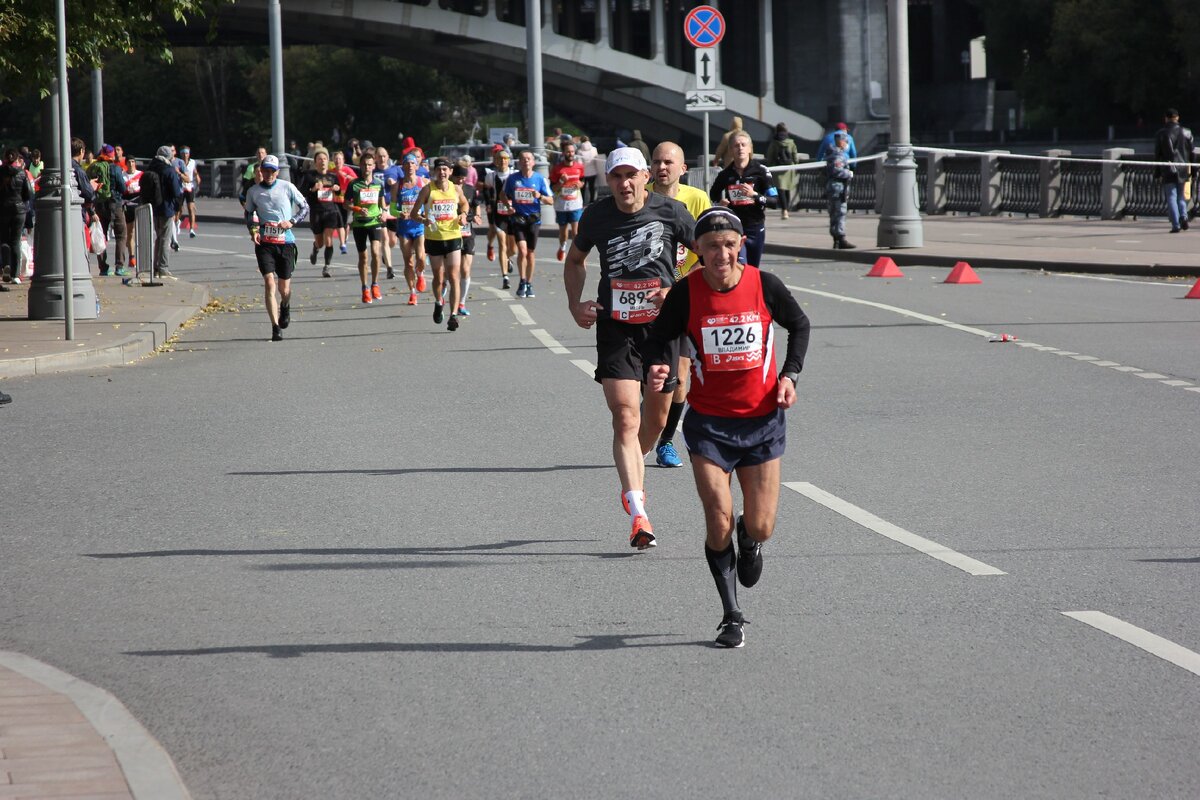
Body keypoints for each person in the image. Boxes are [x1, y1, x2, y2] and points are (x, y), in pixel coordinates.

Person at [643, 207, 810, 648]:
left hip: (762, 422)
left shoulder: (764, 285)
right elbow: (659, 337)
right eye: (712, 246)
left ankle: (750, 540)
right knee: (716, 519)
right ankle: (731, 614)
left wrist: (789, 375)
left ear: (741, 246)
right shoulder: (686, 293)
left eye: (729, 245)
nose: (721, 253)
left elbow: (799, 324)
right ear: (697, 250)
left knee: (762, 525)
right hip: (710, 426)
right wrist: (658, 367)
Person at [563, 147, 696, 549]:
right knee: (625, 416)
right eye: (616, 177)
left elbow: (707, 254)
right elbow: (575, 260)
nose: (624, 184)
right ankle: (638, 511)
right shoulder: (597, 215)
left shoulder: (671, 212)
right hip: (615, 327)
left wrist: (675, 290)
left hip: (662, 329)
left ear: (644, 177)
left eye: (631, 175)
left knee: (655, 420)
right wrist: (575, 304)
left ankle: (633, 468)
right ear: (609, 181)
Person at [649, 141, 711, 469]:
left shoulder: (696, 199)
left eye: (669, 162)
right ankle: (647, 419)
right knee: (650, 377)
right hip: (643, 298)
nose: (662, 167)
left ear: (682, 169)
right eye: (657, 162)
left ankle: (666, 441)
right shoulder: (639, 195)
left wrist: (686, 286)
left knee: (681, 375)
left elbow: (708, 249)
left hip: (682, 296)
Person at [243, 155, 309, 341]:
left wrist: (292, 221)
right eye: (266, 170)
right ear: (261, 171)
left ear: (277, 172)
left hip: (286, 242)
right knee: (269, 283)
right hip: (265, 242)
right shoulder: (253, 191)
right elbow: (249, 213)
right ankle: (275, 327)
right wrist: (254, 229)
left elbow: (304, 207)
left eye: (272, 171)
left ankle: (285, 306)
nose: (269, 174)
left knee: (284, 289)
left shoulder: (287, 187)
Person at [410, 157, 469, 331]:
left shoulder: (456, 189)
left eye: (445, 170)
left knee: (454, 276)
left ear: (450, 172)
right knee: (438, 277)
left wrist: (463, 215)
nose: (442, 173)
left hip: (453, 236)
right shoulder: (427, 190)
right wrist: (423, 219)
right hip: (434, 238)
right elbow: (414, 213)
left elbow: (465, 204)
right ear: (434, 172)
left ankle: (453, 316)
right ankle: (438, 302)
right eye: (439, 170)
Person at [709, 130, 778, 267]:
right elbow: (713, 195)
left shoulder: (761, 171)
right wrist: (720, 204)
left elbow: (774, 202)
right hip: (735, 228)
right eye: (736, 145)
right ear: (730, 150)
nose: (740, 148)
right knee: (740, 266)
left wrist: (755, 195)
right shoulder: (725, 174)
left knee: (753, 270)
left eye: (743, 145)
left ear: (750, 149)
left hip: (755, 227)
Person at [500, 149, 552, 297]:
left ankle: (529, 283)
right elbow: (503, 194)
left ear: (533, 162)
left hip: (534, 220)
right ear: (519, 162)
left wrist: (540, 196)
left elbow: (551, 200)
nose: (526, 161)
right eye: (523, 159)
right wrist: (508, 206)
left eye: (529, 158)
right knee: (522, 250)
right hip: (518, 218)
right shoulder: (512, 179)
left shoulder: (540, 179)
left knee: (530, 253)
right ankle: (522, 281)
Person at [344, 151, 387, 304]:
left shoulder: (378, 184)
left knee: (376, 252)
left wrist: (384, 213)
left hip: (374, 222)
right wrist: (357, 209)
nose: (367, 167)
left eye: (370, 165)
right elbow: (346, 203)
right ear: (360, 166)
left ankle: (375, 284)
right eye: (364, 165)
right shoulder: (354, 184)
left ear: (373, 166)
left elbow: (383, 204)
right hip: (359, 223)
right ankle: (364, 287)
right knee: (363, 257)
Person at [297, 148, 344, 277]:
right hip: (316, 212)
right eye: (320, 159)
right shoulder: (309, 176)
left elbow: (339, 192)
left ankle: (327, 267)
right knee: (320, 242)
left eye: (325, 159)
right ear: (315, 162)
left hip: (330, 211)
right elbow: (301, 193)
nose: (322, 161)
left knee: (328, 240)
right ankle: (315, 248)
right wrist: (313, 189)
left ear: (328, 162)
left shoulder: (332, 177)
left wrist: (337, 189)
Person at [85, 144, 128, 276]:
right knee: (121, 234)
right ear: (111, 155)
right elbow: (122, 187)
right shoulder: (115, 168)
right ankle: (119, 267)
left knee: (100, 235)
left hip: (99, 204)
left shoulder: (94, 168)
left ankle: (103, 267)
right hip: (114, 204)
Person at [139, 145, 182, 278]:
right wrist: (177, 207)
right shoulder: (169, 170)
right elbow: (176, 191)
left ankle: (155, 266)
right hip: (166, 208)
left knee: (158, 237)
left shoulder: (150, 167)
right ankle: (163, 268)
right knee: (165, 238)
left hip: (151, 208)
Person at [393, 153, 429, 305]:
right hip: (404, 227)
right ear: (403, 167)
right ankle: (412, 292)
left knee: (421, 258)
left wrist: (424, 214)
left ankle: (420, 273)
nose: (409, 167)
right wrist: (399, 213)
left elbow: (430, 204)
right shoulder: (398, 185)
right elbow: (391, 209)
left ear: (417, 166)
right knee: (408, 261)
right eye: (406, 164)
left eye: (412, 164)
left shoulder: (424, 182)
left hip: (419, 225)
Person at [1155, 108, 1194, 233]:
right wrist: (1193, 169)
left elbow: (1158, 154)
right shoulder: (1187, 132)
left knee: (1171, 196)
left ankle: (1176, 224)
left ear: (1166, 118)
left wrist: (1157, 172)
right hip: (1183, 169)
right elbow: (1192, 153)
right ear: (1177, 118)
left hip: (1168, 168)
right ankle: (1184, 216)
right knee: (1181, 196)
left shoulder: (1161, 133)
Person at [450, 163, 480, 316]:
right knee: (450, 271)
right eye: (458, 177)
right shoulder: (446, 189)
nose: (461, 181)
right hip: (449, 233)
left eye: (463, 178)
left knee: (465, 269)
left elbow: (476, 204)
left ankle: (461, 303)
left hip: (467, 232)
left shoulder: (470, 189)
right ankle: (444, 295)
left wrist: (477, 216)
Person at [483, 146, 515, 288]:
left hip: (513, 213)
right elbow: (486, 190)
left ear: (509, 161)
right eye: (500, 159)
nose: (503, 161)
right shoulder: (491, 176)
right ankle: (505, 277)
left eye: (505, 159)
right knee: (502, 242)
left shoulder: (514, 175)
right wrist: (489, 203)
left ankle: (508, 259)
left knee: (513, 248)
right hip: (498, 213)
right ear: (495, 161)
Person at [0, 149, 32, 289]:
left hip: (2, 210)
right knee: (16, 241)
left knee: (3, 240)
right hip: (19, 210)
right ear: (16, 160)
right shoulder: (21, 173)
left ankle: (5, 264)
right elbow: (28, 193)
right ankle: (15, 274)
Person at [549, 140, 585, 261]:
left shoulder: (579, 167)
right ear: (563, 153)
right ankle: (562, 246)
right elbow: (552, 189)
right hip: (561, 205)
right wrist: (561, 182)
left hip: (575, 204)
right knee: (563, 233)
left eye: (572, 151)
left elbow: (582, 181)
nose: (570, 153)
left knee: (576, 232)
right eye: (568, 151)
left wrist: (580, 184)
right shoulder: (557, 169)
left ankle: (576, 253)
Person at [825, 131, 856, 249]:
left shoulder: (831, 153)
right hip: (838, 188)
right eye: (846, 141)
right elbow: (836, 170)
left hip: (832, 188)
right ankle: (841, 238)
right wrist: (848, 173)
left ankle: (836, 239)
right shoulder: (838, 155)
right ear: (841, 141)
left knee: (833, 214)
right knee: (840, 213)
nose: (847, 144)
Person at [765, 123, 800, 220]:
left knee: (780, 190)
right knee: (787, 189)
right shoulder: (791, 143)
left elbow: (769, 156)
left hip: (778, 169)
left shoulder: (774, 143)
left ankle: (784, 210)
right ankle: (787, 209)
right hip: (789, 169)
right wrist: (795, 166)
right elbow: (795, 156)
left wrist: (770, 166)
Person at [331, 149, 356, 253]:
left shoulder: (347, 169)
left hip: (346, 200)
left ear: (343, 160)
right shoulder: (331, 171)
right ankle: (343, 243)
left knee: (345, 222)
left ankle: (344, 239)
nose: (337, 161)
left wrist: (345, 176)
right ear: (333, 160)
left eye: (339, 159)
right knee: (339, 221)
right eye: (336, 159)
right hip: (334, 200)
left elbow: (355, 180)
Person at [176, 146, 200, 238]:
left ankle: (192, 229)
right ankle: (178, 222)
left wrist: (197, 176)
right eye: (183, 153)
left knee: (191, 208)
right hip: (180, 187)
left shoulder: (192, 162)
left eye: (186, 153)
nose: (185, 155)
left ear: (189, 154)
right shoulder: (178, 162)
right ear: (180, 154)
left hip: (190, 187)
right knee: (180, 209)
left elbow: (194, 171)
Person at [577, 135, 600, 204]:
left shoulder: (579, 151)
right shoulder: (594, 149)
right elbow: (597, 160)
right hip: (593, 171)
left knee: (582, 188)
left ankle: (583, 201)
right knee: (592, 187)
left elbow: (579, 163)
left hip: (583, 173)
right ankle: (592, 201)